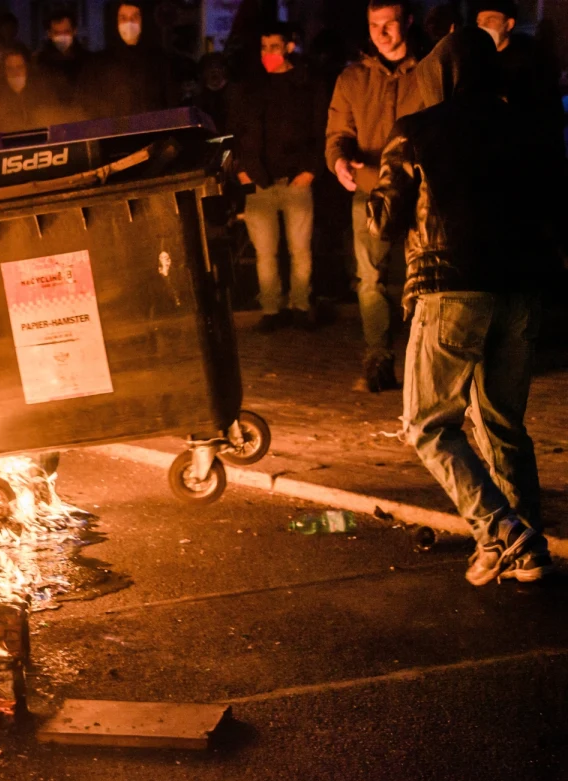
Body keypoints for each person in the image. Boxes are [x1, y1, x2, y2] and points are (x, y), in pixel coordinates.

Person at [366, 27, 561, 585]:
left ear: (440, 75)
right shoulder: (526, 129)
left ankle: (501, 528)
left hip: (449, 288)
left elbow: (385, 223)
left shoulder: (417, 132)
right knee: (503, 425)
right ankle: (529, 552)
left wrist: (373, 194)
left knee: (427, 423)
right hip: (521, 292)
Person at [326, 0, 424, 392]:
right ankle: (378, 360)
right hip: (370, 190)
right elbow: (338, 132)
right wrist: (338, 162)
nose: (381, 34)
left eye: (390, 24)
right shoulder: (353, 79)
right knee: (371, 279)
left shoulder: (429, 73)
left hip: (421, 191)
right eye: (374, 25)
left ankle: (425, 360)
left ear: (408, 23)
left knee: (424, 278)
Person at [228, 22, 326, 332]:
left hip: (296, 178)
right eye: (263, 47)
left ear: (288, 47)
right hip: (261, 180)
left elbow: (322, 128)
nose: (268, 53)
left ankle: (300, 305)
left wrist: (311, 169)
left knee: (300, 250)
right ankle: (271, 309)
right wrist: (243, 168)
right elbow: (238, 131)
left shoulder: (307, 85)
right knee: (265, 253)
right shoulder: (252, 88)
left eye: (274, 47)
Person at [474, 0, 566, 163]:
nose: (483, 27)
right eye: (479, 22)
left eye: (491, 20)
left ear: (509, 24)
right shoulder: (477, 60)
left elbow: (545, 116)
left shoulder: (532, 62)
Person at [84, 1, 176, 118]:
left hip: (153, 132)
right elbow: (92, 108)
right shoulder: (100, 64)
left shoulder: (159, 61)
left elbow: (171, 105)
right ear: (115, 22)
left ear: (144, 20)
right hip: (115, 133)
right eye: (123, 18)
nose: (129, 23)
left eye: (135, 17)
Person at [34, 7, 93, 106]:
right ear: (49, 34)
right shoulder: (40, 62)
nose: (62, 37)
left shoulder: (88, 61)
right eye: (57, 33)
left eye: (66, 32)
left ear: (74, 31)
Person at [194, 52, 230, 132]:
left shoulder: (234, 96)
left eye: (217, 67)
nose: (213, 71)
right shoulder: (198, 101)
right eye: (209, 67)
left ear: (224, 70)